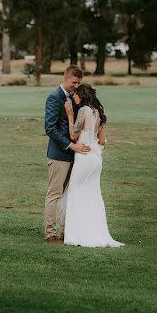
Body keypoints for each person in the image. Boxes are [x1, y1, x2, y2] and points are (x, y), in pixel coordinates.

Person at [59, 83, 123, 248]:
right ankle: (95, 232)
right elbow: (102, 141)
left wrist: (69, 115)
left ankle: (77, 234)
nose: (74, 97)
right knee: (92, 194)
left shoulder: (84, 111)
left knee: (74, 191)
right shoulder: (98, 113)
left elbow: (73, 135)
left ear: (82, 95)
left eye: (76, 95)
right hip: (95, 159)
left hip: (84, 157)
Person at [43, 65, 91, 243]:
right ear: (65, 78)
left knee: (68, 196)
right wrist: (71, 145)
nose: (76, 86)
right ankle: (50, 233)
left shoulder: (75, 98)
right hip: (59, 155)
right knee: (54, 194)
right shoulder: (54, 97)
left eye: (79, 83)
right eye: (74, 82)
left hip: (75, 156)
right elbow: (50, 128)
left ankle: (65, 231)